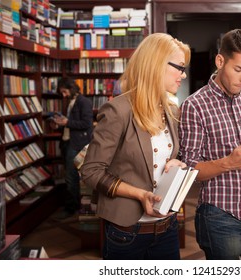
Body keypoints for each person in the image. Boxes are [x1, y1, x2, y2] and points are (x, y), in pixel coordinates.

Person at [80, 33, 191, 260]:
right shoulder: (118, 111)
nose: (184, 74)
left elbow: (162, 158)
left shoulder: (172, 111)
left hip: (167, 227)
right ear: (156, 65)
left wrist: (175, 163)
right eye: (179, 67)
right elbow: (91, 171)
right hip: (127, 233)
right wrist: (139, 194)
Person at [178, 27, 241, 260]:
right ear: (220, 60)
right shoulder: (194, 105)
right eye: (238, 69)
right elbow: (189, 170)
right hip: (219, 217)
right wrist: (228, 163)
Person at [54, 77, 94, 219]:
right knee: (70, 178)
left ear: (71, 88)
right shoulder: (70, 102)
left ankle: (74, 208)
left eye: (64, 92)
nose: (63, 95)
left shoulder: (84, 102)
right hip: (68, 142)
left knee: (72, 178)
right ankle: (75, 207)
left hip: (77, 144)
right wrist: (62, 122)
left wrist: (67, 122)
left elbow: (87, 123)